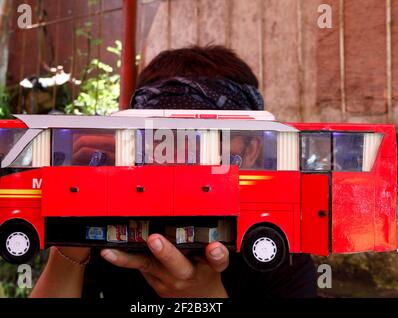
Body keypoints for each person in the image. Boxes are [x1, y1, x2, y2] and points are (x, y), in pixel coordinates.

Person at [30, 46, 317, 299]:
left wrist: (205, 298)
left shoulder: (277, 244)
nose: (179, 165)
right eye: (160, 142)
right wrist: (70, 236)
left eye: (202, 141)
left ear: (251, 150)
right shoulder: (109, 225)